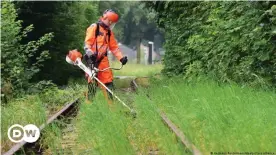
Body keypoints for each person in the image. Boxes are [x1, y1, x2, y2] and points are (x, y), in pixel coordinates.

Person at [83, 9, 128, 103]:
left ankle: (112, 107)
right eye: (112, 23)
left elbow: (114, 48)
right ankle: (89, 106)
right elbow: (87, 43)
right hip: (92, 60)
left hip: (103, 60)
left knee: (109, 83)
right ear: (108, 20)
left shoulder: (109, 33)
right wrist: (89, 52)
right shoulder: (94, 27)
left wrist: (121, 58)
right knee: (92, 84)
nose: (112, 25)